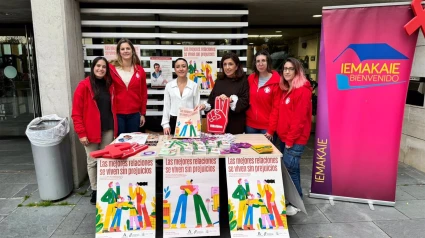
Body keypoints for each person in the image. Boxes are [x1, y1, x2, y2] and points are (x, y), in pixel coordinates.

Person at [71, 56, 117, 205]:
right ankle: (95, 190)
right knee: (92, 161)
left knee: (105, 160)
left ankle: (105, 187)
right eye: (98, 66)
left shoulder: (109, 85)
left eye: (104, 67)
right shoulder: (83, 86)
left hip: (108, 129)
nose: (101, 69)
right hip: (90, 131)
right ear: (93, 67)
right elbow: (76, 113)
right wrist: (81, 133)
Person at [277, 57, 313, 216]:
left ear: (297, 71)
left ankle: (296, 202)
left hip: (294, 140)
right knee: (293, 169)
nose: (286, 71)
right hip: (286, 138)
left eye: (290, 69)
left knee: (290, 170)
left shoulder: (302, 90)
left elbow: (299, 120)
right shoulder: (288, 89)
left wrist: (290, 140)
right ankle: (295, 198)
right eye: (285, 68)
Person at [204, 52, 249, 134]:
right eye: (224, 64)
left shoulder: (243, 81)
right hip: (218, 125)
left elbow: (245, 102)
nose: (227, 67)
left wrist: (230, 100)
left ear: (237, 66)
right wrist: (205, 106)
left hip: (235, 125)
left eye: (230, 64)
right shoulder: (219, 81)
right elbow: (211, 100)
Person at [109, 38, 147, 135]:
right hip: (117, 114)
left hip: (134, 114)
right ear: (119, 52)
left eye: (128, 48)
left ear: (132, 50)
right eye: (122, 49)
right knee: (119, 143)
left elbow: (143, 93)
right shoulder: (111, 69)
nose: (125, 51)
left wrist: (142, 113)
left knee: (133, 143)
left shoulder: (139, 70)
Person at [246, 50, 282, 142]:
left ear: (268, 62)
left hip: (267, 128)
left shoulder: (276, 81)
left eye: (263, 60)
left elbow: (276, 108)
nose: (260, 64)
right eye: (258, 61)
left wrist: (271, 130)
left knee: (265, 156)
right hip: (250, 126)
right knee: (251, 155)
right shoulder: (251, 78)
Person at [161, 58, 203, 135]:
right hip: (173, 121)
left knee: (189, 145)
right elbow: (166, 106)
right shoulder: (169, 86)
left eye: (183, 66)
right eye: (178, 67)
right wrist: (165, 124)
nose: (181, 69)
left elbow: (197, 107)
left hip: (189, 121)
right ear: (174, 69)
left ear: (187, 69)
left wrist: (198, 125)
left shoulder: (194, 86)